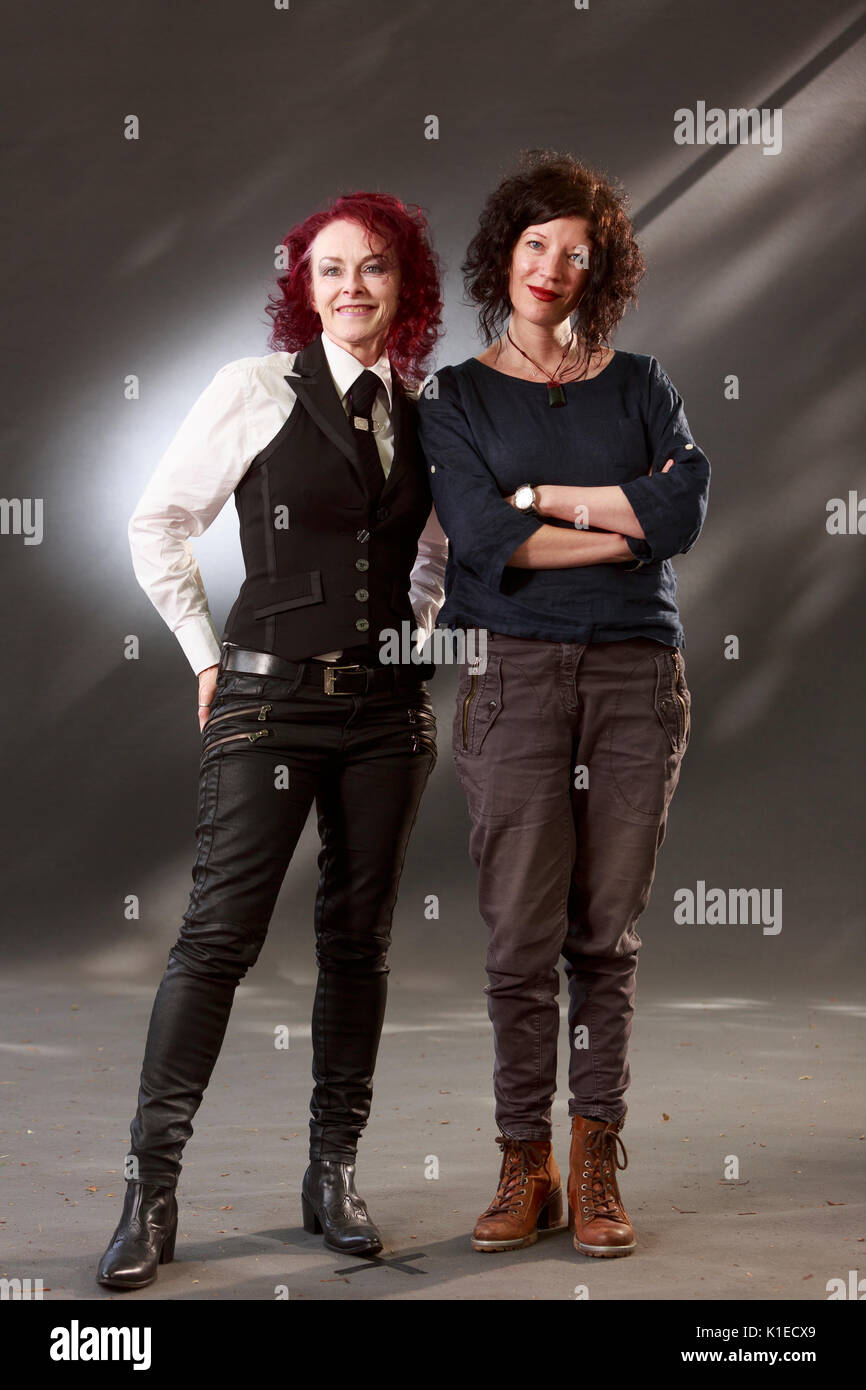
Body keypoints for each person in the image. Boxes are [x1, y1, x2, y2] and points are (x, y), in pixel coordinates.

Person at [97, 192, 448, 1289]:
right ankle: (149, 1192)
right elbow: (157, 519)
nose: (351, 286)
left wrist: (414, 639)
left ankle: (330, 1174)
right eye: (329, 268)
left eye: (374, 268)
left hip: (387, 716)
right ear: (301, 288)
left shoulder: (424, 413)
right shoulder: (251, 390)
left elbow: (431, 557)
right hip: (267, 701)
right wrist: (206, 654)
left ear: (405, 288)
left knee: (359, 944)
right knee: (218, 937)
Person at [417, 150, 710, 1259]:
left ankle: (593, 1156)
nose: (551, 266)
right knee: (516, 938)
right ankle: (520, 1161)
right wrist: (617, 520)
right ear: (506, 254)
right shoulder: (455, 395)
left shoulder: (640, 384)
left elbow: (679, 517)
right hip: (515, 682)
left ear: (601, 271)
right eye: (535, 244)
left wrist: (546, 498)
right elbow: (482, 543)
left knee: (605, 938)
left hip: (636, 677)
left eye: (575, 252)